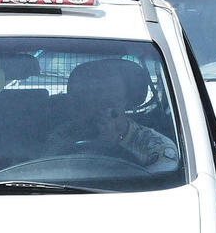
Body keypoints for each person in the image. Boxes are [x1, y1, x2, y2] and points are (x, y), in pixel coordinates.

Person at [48, 59, 178, 173]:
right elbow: (44, 169)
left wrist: (110, 148)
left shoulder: (156, 147)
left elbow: (156, 188)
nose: (98, 110)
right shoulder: (63, 135)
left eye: (108, 103)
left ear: (127, 102)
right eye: (88, 102)